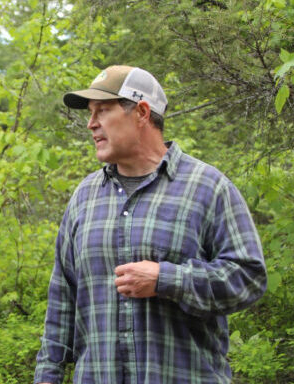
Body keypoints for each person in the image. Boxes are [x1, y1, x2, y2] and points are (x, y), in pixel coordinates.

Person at [34, 65, 266, 384]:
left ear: (141, 112)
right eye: (90, 113)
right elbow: (63, 296)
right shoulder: (84, 197)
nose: (91, 124)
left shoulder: (209, 188)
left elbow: (249, 278)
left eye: (102, 110)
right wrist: (47, 376)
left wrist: (166, 279)